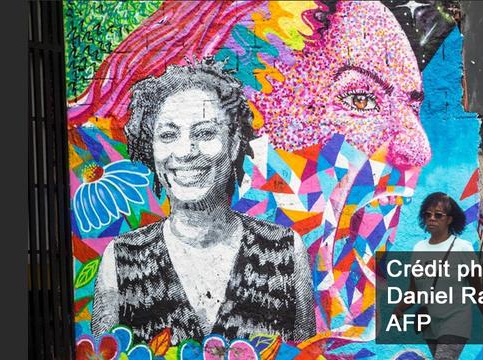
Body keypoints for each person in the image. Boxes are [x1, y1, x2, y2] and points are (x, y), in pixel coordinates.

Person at [91, 60, 316, 346]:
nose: (185, 152)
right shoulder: (121, 259)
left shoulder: (284, 252)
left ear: (234, 142)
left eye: (205, 133)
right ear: (152, 148)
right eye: (168, 135)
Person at [394, 192, 483, 359]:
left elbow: (478, 291)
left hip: (455, 323)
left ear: (450, 219)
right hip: (430, 325)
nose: (432, 219)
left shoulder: (462, 248)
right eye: (427, 215)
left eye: (438, 215)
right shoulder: (418, 249)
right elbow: (414, 291)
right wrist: (400, 308)